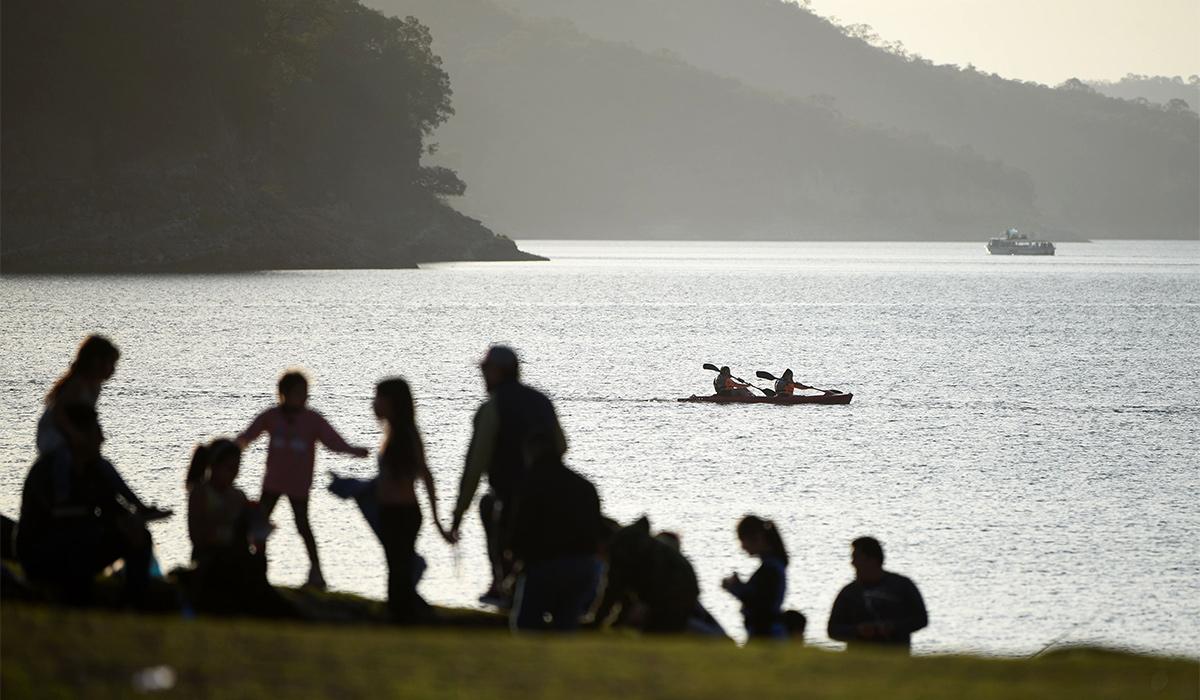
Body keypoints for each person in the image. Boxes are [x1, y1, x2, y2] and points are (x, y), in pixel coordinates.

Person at [17, 404, 170, 606]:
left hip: (78, 543)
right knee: (79, 541)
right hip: (43, 551)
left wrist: (132, 520)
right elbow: (59, 517)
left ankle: (134, 602)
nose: (102, 439)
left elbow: (112, 507)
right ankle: (76, 595)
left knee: (139, 535)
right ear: (77, 436)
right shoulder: (48, 471)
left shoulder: (95, 472)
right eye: (96, 433)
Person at [449, 345, 567, 605]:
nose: (482, 376)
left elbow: (475, 464)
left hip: (511, 495)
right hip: (550, 493)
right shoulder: (542, 401)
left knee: (489, 508)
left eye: (484, 370)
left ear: (498, 372)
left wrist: (458, 513)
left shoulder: (492, 408)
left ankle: (500, 584)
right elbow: (562, 446)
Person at [237, 370, 369, 590]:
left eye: (306, 392)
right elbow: (248, 436)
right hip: (273, 482)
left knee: (303, 526)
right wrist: (231, 447)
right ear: (284, 393)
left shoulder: (312, 420)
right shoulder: (271, 416)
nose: (304, 397)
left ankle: (316, 573)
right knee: (259, 524)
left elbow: (332, 441)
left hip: (298, 485)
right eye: (299, 392)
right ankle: (255, 569)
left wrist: (353, 450)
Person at [373, 378, 452, 624]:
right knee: (397, 569)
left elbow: (425, 475)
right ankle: (404, 614)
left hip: (403, 513)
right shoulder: (391, 433)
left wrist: (438, 522)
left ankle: (405, 615)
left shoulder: (406, 434)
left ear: (392, 402)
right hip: (389, 511)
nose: (374, 404)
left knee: (399, 570)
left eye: (379, 398)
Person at [185, 439, 294, 618]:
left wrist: (259, 527)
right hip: (211, 558)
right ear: (214, 466)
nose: (234, 474)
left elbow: (251, 537)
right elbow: (197, 536)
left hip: (238, 557)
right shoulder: (200, 493)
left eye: (237, 468)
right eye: (229, 468)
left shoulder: (238, 495)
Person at [508, 431, 604, 632]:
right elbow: (598, 531)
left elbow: (519, 531)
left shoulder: (530, 483)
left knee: (526, 624)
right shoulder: (585, 486)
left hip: (547, 564)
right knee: (566, 624)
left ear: (532, 452)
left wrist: (514, 564)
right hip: (585, 567)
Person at [827, 536, 928, 652]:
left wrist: (893, 627)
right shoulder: (849, 593)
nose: (852, 563)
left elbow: (921, 619)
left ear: (872, 560)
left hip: (896, 657)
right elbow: (833, 630)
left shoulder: (902, 586)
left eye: (857, 558)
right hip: (858, 662)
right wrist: (858, 630)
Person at [36, 335, 120, 455]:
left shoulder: (95, 386)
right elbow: (58, 413)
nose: (113, 369)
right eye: (111, 363)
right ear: (95, 361)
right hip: (53, 434)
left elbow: (87, 416)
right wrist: (74, 435)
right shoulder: (77, 384)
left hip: (71, 432)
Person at [722, 515, 789, 640]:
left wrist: (735, 587)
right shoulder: (773, 565)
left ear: (758, 538)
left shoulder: (770, 568)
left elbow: (759, 603)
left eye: (743, 540)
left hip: (766, 633)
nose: (742, 547)